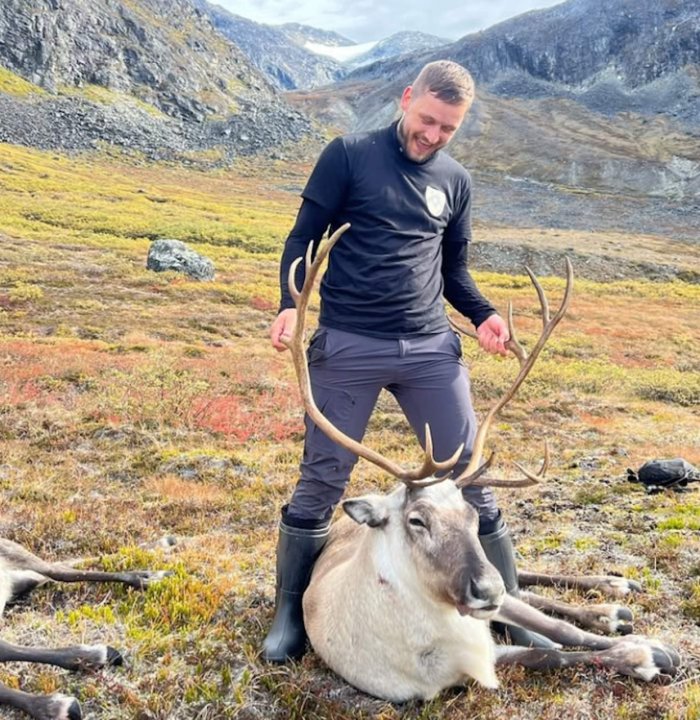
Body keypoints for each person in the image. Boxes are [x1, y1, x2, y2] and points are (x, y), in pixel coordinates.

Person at [263, 60, 553, 663]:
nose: (433, 136)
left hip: (429, 348)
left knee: (473, 482)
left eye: (448, 128)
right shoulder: (347, 155)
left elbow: (454, 272)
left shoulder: (455, 180)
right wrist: (292, 305)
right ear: (406, 99)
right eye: (427, 120)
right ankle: (289, 613)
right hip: (348, 343)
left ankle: (504, 608)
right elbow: (303, 237)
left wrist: (483, 315)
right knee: (321, 482)